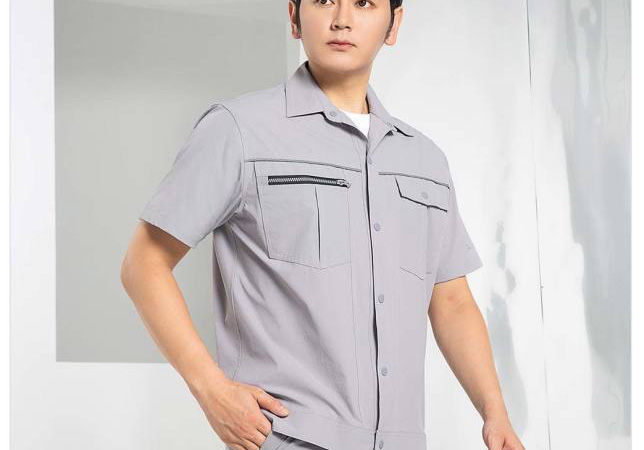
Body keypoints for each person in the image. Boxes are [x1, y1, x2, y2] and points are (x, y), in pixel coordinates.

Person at [121, 1, 525, 450]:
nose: (342, 19)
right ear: (294, 16)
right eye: (323, 0)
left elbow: (451, 300)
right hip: (288, 435)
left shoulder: (424, 160)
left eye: (364, 3)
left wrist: (495, 413)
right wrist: (211, 390)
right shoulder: (238, 130)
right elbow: (144, 264)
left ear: (393, 24)